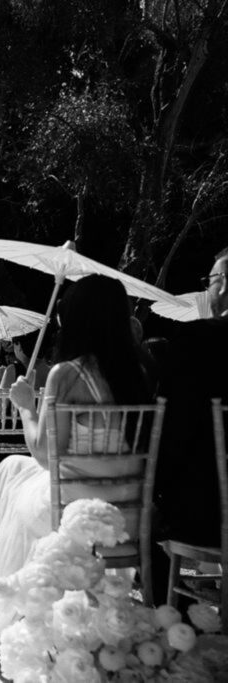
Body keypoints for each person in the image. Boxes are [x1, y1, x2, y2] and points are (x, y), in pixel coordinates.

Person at [0, 275, 154, 653]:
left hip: (73, 507)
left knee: (10, 478)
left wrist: (26, 405)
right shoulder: (138, 372)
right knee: (10, 468)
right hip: (128, 507)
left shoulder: (67, 372)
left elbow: (44, 453)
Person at [151, 246, 228, 604]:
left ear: (223, 284)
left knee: (145, 517)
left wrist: (153, 493)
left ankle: (177, 619)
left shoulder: (197, 340)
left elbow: (169, 434)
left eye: (209, 280)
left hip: (209, 515)